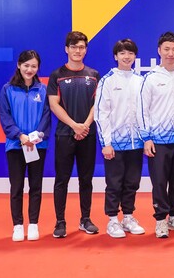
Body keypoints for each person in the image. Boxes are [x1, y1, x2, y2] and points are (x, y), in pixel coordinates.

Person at [139, 31, 174, 238]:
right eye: (167, 49)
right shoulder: (150, 78)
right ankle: (161, 220)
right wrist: (146, 138)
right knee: (160, 181)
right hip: (158, 140)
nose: (171, 53)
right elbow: (143, 109)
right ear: (159, 51)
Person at [48, 31, 100, 238]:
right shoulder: (57, 75)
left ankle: (85, 219)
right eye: (74, 47)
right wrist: (74, 126)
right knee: (62, 179)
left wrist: (85, 125)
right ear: (66, 49)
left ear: (86, 50)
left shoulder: (94, 75)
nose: (78, 50)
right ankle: (60, 222)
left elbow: (98, 105)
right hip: (64, 135)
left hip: (88, 134)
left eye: (81, 47)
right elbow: (54, 104)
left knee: (86, 179)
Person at [0, 50, 51, 242]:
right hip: (15, 145)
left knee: (36, 186)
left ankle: (33, 224)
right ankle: (18, 225)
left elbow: (46, 116)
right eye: (26, 65)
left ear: (38, 68)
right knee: (17, 186)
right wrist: (19, 135)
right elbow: (5, 116)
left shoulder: (43, 89)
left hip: (38, 145)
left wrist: (37, 135)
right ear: (19, 65)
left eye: (34, 66)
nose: (30, 69)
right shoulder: (7, 89)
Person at [95, 39, 146, 238]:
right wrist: (106, 143)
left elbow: (145, 112)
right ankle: (112, 220)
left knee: (132, 182)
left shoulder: (141, 80)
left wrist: (145, 138)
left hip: (137, 143)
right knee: (114, 183)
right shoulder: (107, 80)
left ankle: (128, 217)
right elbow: (101, 113)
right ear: (115, 56)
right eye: (122, 53)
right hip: (115, 144)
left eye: (130, 53)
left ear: (135, 56)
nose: (127, 57)